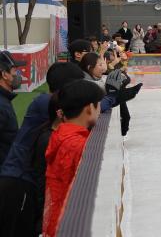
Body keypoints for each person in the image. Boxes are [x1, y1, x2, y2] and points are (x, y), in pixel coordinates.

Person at [0, 63, 86, 237]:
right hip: (18, 182)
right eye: (79, 86)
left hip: (21, 179)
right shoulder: (45, 102)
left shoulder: (49, 103)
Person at [43, 80, 105, 237]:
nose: (101, 110)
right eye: (99, 105)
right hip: (68, 223)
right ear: (89, 108)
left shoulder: (61, 134)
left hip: (57, 217)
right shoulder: (78, 145)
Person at [0, 51, 25, 166]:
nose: (18, 75)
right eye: (15, 70)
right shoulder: (2, 106)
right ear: (5, 74)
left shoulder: (4, 100)